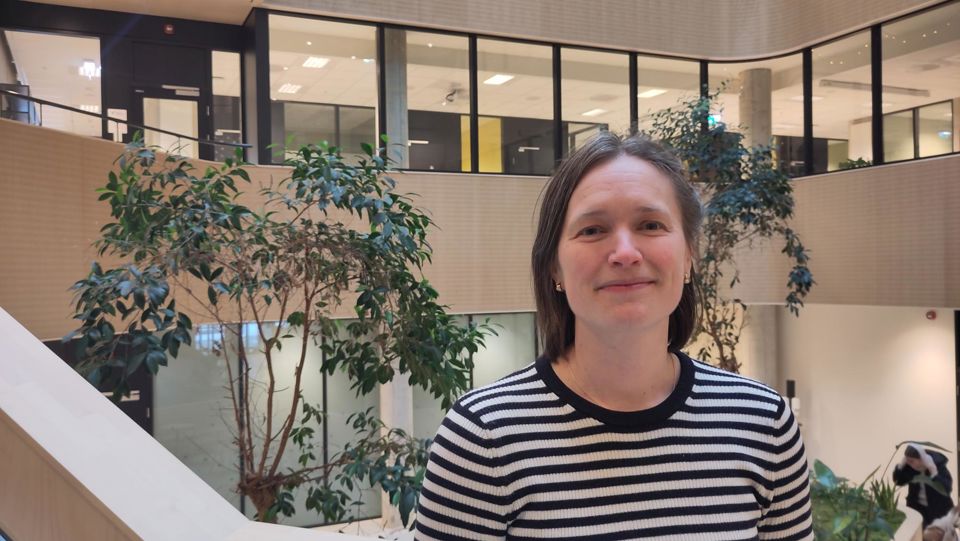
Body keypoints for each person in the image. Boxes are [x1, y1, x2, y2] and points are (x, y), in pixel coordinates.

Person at [414, 132, 813, 540]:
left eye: (650, 225)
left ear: (689, 255)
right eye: (592, 230)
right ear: (554, 268)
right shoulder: (483, 437)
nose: (625, 253)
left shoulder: (764, 423)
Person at [894, 444, 954, 529]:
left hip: (938, 509)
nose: (909, 464)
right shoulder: (911, 468)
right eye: (907, 461)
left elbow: (947, 489)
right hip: (918, 508)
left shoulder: (938, 466)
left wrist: (934, 473)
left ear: (921, 459)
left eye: (912, 461)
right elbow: (898, 481)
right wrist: (900, 466)